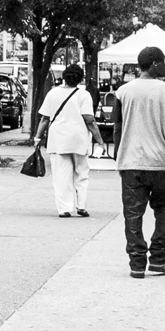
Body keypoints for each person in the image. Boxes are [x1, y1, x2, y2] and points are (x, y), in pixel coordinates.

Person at [112, 46, 165, 278]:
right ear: (153, 64)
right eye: (163, 62)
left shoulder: (123, 92)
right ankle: (159, 260)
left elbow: (118, 128)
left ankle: (137, 264)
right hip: (162, 163)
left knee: (133, 214)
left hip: (131, 162)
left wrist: (118, 156)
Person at [34, 63, 98, 218]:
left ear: (64, 77)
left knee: (61, 175)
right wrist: (99, 139)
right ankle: (81, 206)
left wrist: (37, 137)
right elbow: (89, 120)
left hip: (58, 139)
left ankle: (64, 209)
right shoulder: (84, 95)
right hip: (79, 138)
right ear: (80, 79)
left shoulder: (53, 93)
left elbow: (44, 119)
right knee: (82, 173)